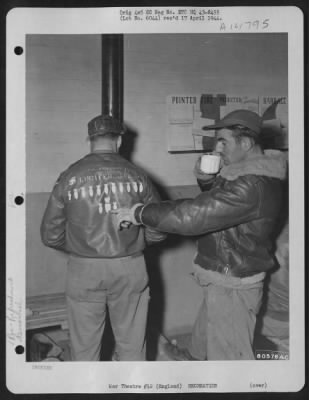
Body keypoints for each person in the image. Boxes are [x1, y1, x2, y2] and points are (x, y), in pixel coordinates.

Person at [114, 109, 287, 360]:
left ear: (246, 143)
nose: (217, 149)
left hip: (233, 280)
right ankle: (193, 364)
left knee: (230, 366)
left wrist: (141, 213)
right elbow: (221, 206)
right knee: (203, 340)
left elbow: (195, 216)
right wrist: (206, 181)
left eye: (223, 141)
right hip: (226, 272)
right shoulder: (246, 176)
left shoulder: (252, 184)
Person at [40, 115, 166, 361]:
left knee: (84, 349)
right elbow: (158, 226)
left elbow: (50, 235)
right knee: (132, 345)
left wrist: (82, 248)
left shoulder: (69, 177)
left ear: (90, 140)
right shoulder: (139, 175)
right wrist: (137, 242)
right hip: (130, 265)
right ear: (118, 140)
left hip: (83, 268)